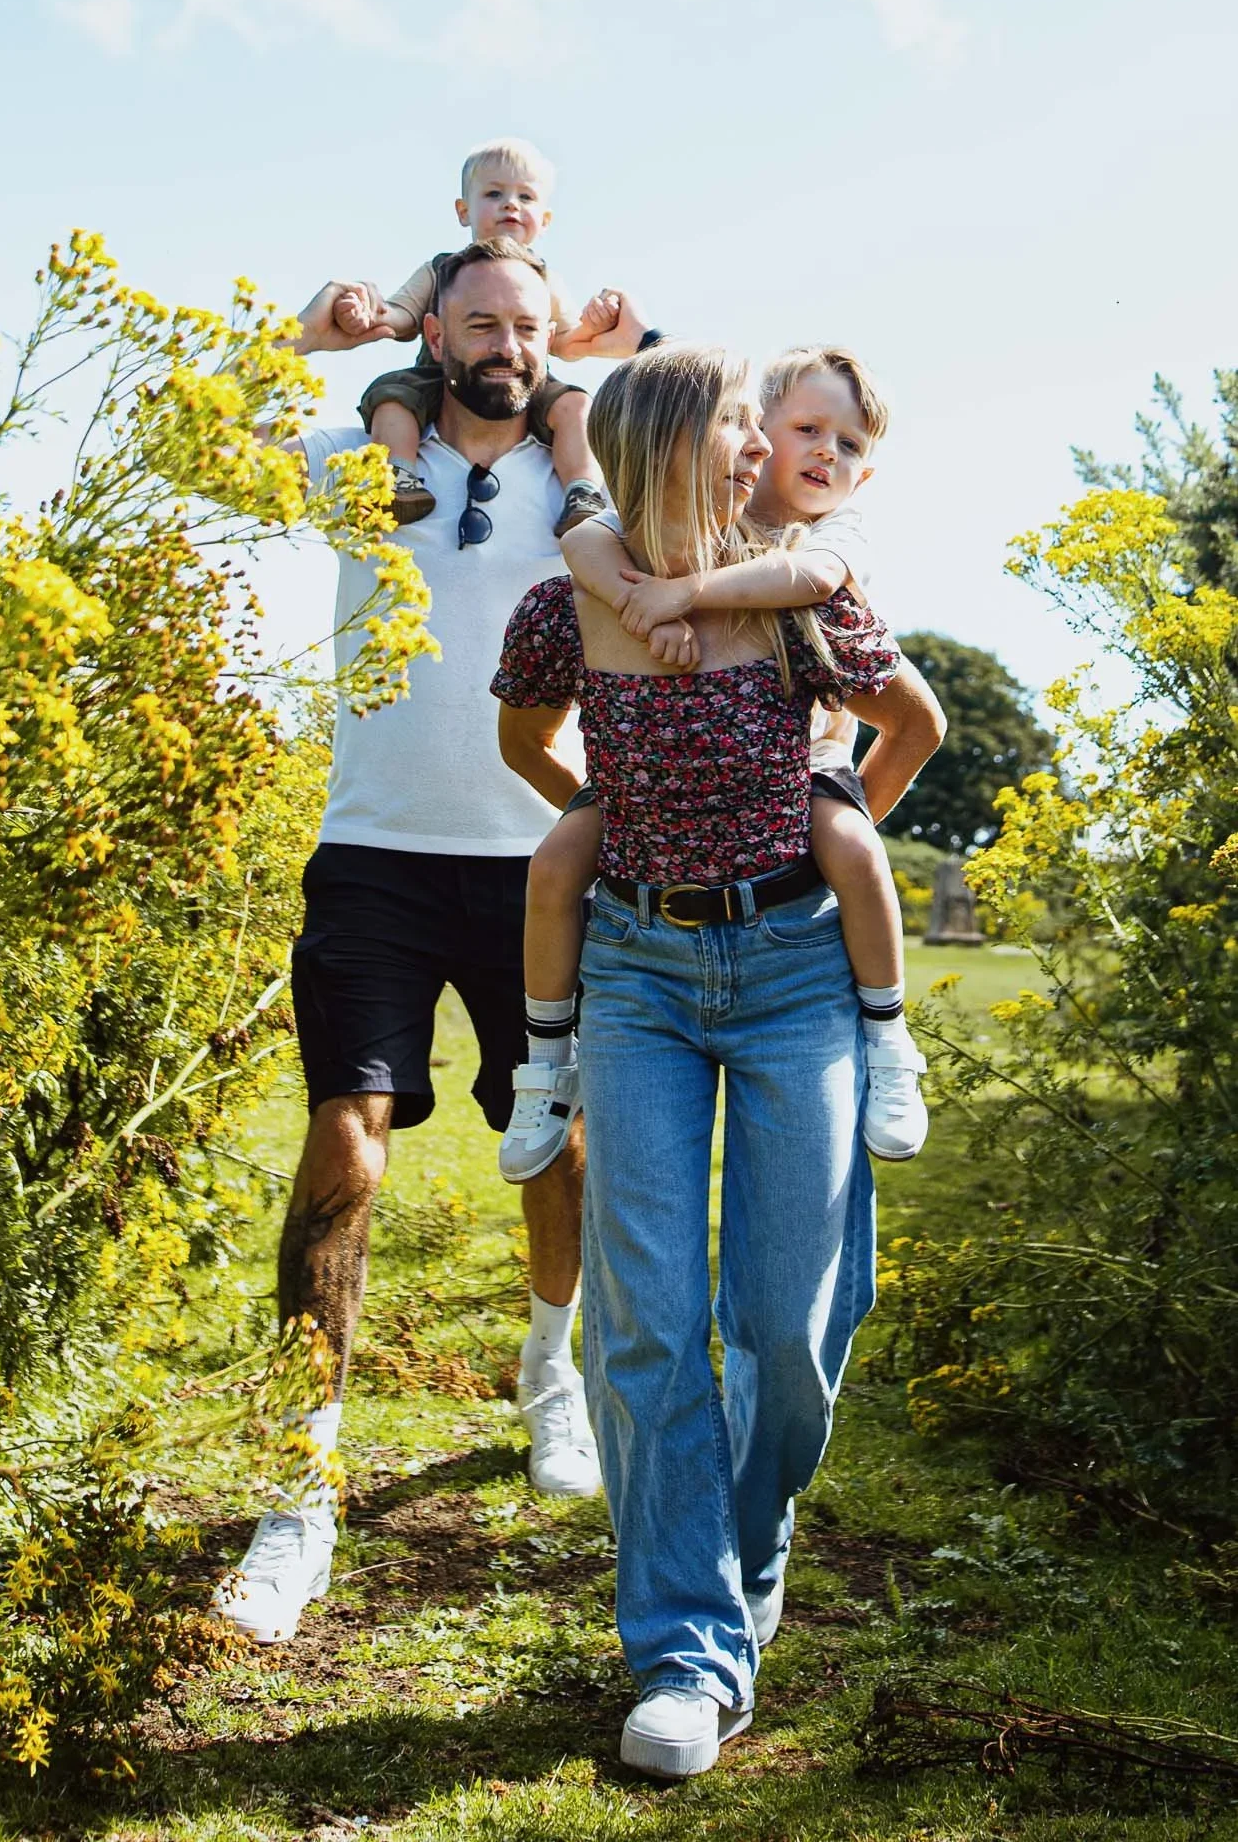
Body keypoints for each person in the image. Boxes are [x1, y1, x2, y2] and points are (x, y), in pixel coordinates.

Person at [493, 342, 929, 1778]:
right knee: (648, 1325)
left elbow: (909, 724)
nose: (761, 449)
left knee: (788, 1331)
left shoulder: (800, 593)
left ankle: (735, 1575)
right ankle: (682, 1649)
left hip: (799, 973)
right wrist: (603, 819)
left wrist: (820, 817)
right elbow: (523, 734)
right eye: (742, 424)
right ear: (682, 444)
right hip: (632, 976)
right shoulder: (572, 604)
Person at [213, 238, 648, 1648]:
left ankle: (547, 1374)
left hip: (538, 861)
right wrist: (302, 333)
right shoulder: (360, 457)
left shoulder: (590, 477)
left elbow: (732, 454)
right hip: (372, 857)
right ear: (436, 331)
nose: (504, 342)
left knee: (555, 1141)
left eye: (526, 323)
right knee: (344, 1141)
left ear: (545, 342)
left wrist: (633, 352)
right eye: (478, 319)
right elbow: (201, 435)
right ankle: (302, 1482)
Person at [498, 345, 932, 1187]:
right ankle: (548, 1059)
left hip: (805, 772)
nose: (817, 454)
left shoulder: (818, 551)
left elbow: (892, 688)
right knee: (555, 858)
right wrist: (633, 598)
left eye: (847, 446)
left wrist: (684, 599)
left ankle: (887, 1034)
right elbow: (590, 536)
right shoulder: (616, 557)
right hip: (643, 872)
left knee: (848, 845)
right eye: (801, 428)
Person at [329, 136, 639, 528]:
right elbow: (400, 318)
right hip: (443, 379)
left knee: (576, 406)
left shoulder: (544, 280)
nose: (511, 204)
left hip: (526, 383)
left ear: (544, 221)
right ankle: (397, 475)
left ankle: (582, 491)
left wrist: (599, 322)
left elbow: (566, 342)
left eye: (526, 197)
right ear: (464, 211)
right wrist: (361, 314)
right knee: (392, 397)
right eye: (494, 193)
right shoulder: (441, 270)